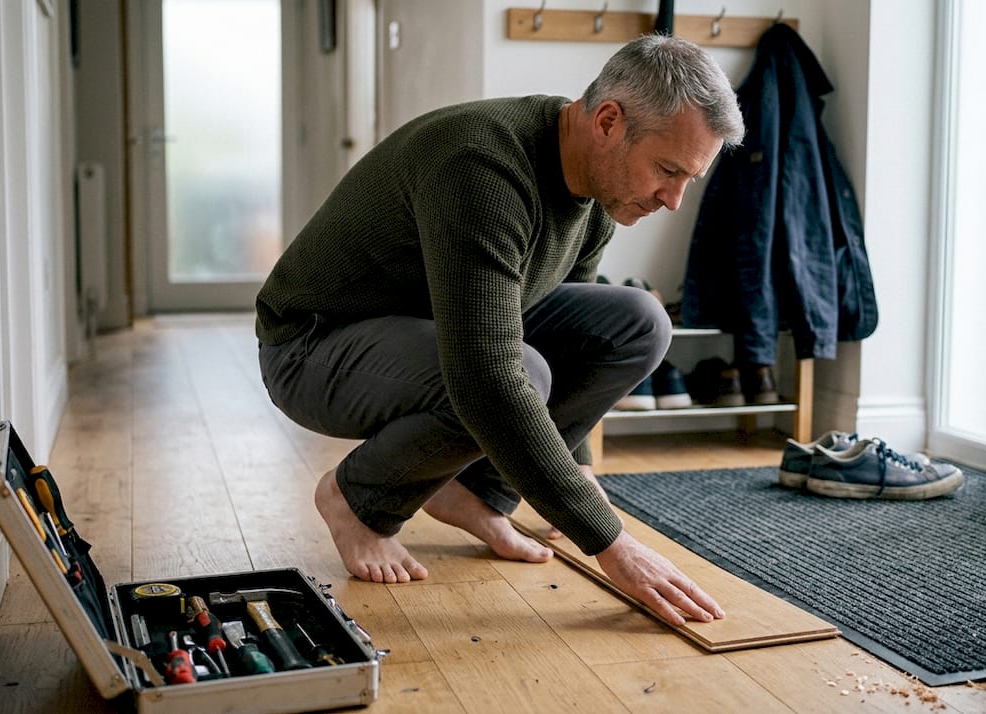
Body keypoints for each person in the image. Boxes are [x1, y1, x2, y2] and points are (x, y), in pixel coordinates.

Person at [256, 35, 744, 627]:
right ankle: (358, 498)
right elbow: (488, 374)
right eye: (668, 171)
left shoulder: (595, 191)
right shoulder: (481, 165)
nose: (673, 200)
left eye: (688, 179)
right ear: (609, 122)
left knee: (638, 321)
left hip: (429, 331)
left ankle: (476, 492)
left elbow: (571, 335)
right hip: (313, 347)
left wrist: (576, 467)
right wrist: (608, 540)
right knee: (517, 373)